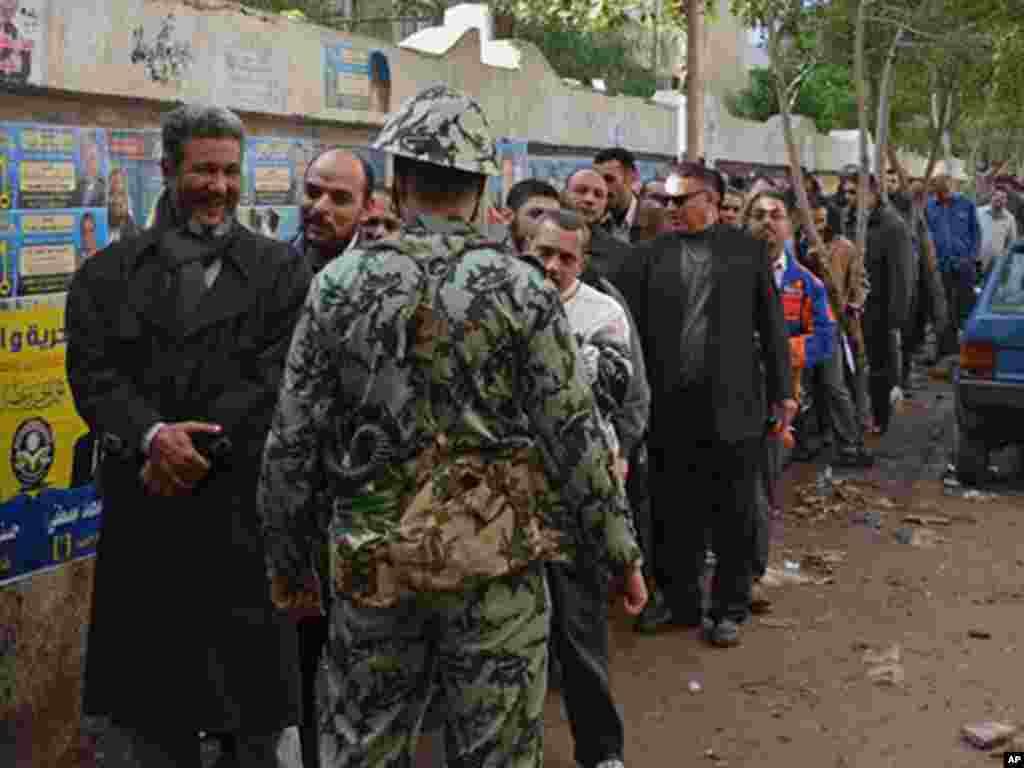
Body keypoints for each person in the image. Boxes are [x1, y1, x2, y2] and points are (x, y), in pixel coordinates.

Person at [258, 84, 646, 768]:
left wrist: (288, 561)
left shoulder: (340, 285)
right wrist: (620, 552)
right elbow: (575, 431)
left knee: (366, 745)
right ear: (479, 187)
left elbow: (292, 437)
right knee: (496, 752)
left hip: (376, 563)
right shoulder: (522, 288)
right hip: (494, 566)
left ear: (399, 183)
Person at [66, 104, 308, 767]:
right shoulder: (105, 276)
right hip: (149, 517)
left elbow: (277, 376)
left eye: (231, 172)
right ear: (168, 169)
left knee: (255, 719)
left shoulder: (280, 273)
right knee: (147, 720)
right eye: (204, 170)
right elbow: (94, 377)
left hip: (240, 518)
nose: (220, 187)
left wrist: (192, 448)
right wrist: (151, 437)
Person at [614, 163, 794, 647]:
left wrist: (785, 394)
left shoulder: (745, 252)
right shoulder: (648, 257)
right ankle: (678, 600)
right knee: (673, 510)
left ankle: (729, 607)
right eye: (666, 201)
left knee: (734, 512)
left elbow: (772, 328)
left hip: (733, 405)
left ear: (711, 201)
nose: (669, 209)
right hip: (670, 406)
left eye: (680, 200)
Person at [531, 210, 634, 768]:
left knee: (580, 634)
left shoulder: (602, 312)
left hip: (577, 495)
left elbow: (612, 392)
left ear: (582, 261)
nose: (551, 266)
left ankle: (602, 752)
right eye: (543, 253)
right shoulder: (502, 299)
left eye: (564, 257)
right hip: (509, 496)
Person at [802, 199, 873, 467]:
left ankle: (850, 442)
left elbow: (860, 283)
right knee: (805, 387)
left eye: (822, 221)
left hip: (830, 325)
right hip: (801, 325)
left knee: (835, 385)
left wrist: (854, 305)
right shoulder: (797, 245)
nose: (817, 227)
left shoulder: (844, 248)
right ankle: (809, 440)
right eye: (813, 221)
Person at [863, 174, 913, 434]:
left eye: (858, 193)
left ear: (873, 193)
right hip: (857, 308)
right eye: (847, 193)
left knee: (882, 368)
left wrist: (896, 317)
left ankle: (881, 417)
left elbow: (902, 275)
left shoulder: (893, 226)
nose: (852, 200)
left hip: (881, 309)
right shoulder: (852, 220)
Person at [291, 147, 375, 274]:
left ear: (366, 208)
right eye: (312, 192)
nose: (319, 207)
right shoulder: (274, 262)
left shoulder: (383, 272)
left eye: (339, 198)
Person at [926, 173, 981, 357]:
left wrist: (971, 258)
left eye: (946, 192)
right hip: (941, 268)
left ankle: (968, 351)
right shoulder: (930, 207)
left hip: (965, 267)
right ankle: (946, 352)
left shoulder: (966, 204)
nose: (943, 196)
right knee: (944, 311)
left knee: (965, 309)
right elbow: (927, 235)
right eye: (940, 193)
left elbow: (976, 233)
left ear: (952, 188)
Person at [564, 168, 632, 278]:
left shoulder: (624, 255)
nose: (590, 200)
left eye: (598, 195)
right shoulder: (540, 239)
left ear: (605, 204)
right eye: (581, 191)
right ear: (564, 194)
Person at [978, 186, 1018, 277]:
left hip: (995, 265)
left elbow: (1011, 243)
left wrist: (1005, 261)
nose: (998, 199)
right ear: (991, 197)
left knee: (989, 288)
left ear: (1006, 201)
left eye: (1002, 197)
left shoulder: (1010, 219)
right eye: (996, 196)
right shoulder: (979, 212)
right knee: (975, 286)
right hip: (977, 261)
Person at [0, 0, 30, 84]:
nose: (8, 13)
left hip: (13, 81)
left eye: (12, 9)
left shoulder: (18, 31)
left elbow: (26, 68)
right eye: (4, 9)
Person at [107, 168, 139, 244]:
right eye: (114, 181)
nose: (116, 184)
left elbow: (130, 221)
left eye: (118, 181)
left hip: (124, 236)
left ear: (122, 183)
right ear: (110, 182)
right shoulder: (105, 199)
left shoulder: (127, 199)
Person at [75, 132, 107, 208]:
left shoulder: (105, 186)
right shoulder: (78, 184)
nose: (88, 161)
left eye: (92, 157)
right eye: (84, 150)